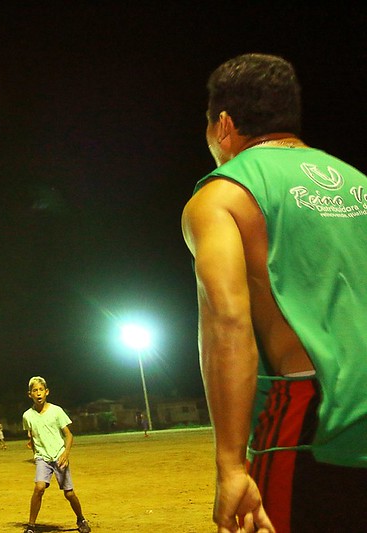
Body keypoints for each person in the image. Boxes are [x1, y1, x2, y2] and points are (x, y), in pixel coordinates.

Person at [182, 53, 367, 533]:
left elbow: (227, 322)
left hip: (314, 419)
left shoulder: (222, 196)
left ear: (223, 125)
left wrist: (231, 465)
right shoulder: (359, 184)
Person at [22, 377, 90, 533]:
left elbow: (69, 435)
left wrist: (65, 453)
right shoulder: (27, 416)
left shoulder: (56, 411)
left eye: (41, 390)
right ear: (29, 394)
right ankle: (31, 526)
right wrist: (36, 455)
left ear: (47, 392)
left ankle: (81, 519)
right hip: (42, 458)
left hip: (59, 456)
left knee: (69, 493)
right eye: (35, 390)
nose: (38, 393)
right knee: (39, 487)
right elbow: (31, 436)